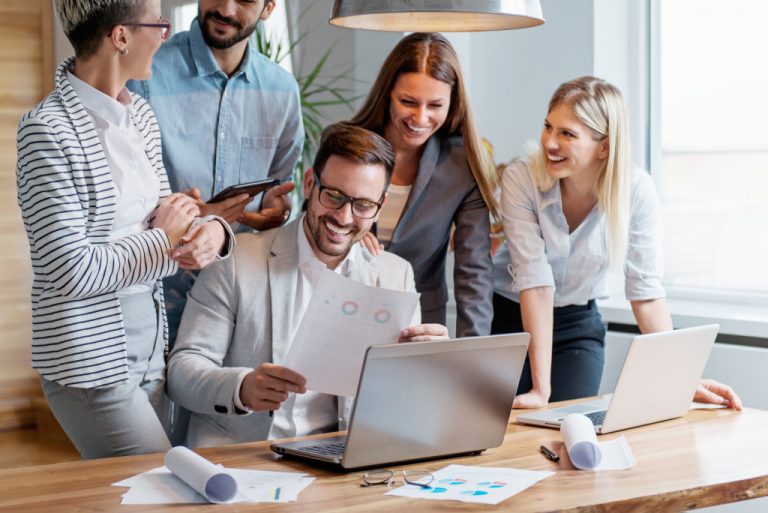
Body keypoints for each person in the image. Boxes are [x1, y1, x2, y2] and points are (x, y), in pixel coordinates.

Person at [15, 0, 233, 459]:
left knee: (142, 496)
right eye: (159, 24)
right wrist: (165, 239)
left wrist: (212, 229)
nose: (165, 36)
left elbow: (169, 214)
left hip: (152, 345)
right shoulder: (46, 130)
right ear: (121, 37)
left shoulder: (141, 117)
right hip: (88, 360)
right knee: (161, 483)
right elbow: (69, 270)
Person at [167, 123, 449, 448]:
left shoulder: (394, 275)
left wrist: (428, 363)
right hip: (241, 460)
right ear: (310, 183)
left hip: (340, 465)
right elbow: (182, 373)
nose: (344, 217)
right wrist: (242, 387)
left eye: (363, 205)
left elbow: (403, 399)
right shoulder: (237, 259)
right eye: (334, 196)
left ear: (379, 207)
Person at [491, 76, 742, 410]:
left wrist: (682, 378)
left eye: (567, 134)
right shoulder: (521, 177)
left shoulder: (636, 191)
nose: (549, 142)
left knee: (574, 427)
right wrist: (541, 389)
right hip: (512, 318)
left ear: (604, 146)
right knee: (509, 432)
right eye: (548, 126)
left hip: (577, 324)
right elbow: (535, 283)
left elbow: (646, 292)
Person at [127, 0, 303, 346]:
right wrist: (187, 216)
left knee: (225, 399)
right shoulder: (146, 72)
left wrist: (277, 210)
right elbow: (121, 195)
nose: (225, 8)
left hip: (239, 301)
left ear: (268, 8)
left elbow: (280, 187)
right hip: (156, 294)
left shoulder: (282, 91)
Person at [348, 32, 495, 338]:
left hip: (419, 320)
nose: (421, 117)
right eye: (408, 102)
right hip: (343, 304)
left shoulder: (462, 164)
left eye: (435, 105)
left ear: (453, 103)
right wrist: (345, 232)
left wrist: (472, 354)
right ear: (388, 92)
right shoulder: (345, 145)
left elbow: (474, 272)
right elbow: (314, 225)